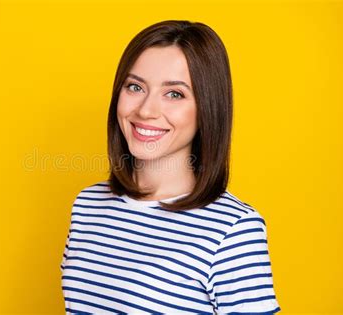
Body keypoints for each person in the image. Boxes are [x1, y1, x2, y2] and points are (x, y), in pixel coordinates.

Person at [60, 20, 281, 314]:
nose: (146, 110)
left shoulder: (234, 230)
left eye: (174, 94)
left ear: (207, 108)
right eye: (135, 86)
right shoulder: (87, 204)